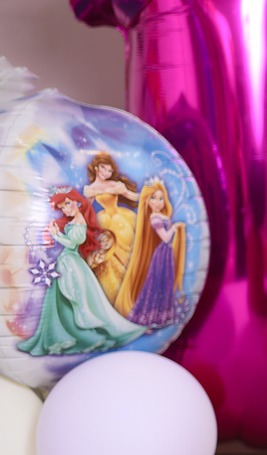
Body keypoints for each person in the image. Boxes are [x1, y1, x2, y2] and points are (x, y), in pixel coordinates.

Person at [18, 187, 145, 356]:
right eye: (62, 207)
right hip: (66, 262)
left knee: (75, 298)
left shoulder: (80, 222)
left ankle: (83, 335)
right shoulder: (75, 221)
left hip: (71, 264)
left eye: (67, 204)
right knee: (63, 300)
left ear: (77, 202)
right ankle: (61, 334)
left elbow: (72, 244)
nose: (66, 209)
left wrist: (56, 235)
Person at [115, 179, 187, 327]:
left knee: (165, 284)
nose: (157, 202)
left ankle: (160, 317)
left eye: (161, 198)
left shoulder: (160, 216)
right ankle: (148, 317)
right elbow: (165, 238)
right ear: (147, 201)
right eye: (153, 198)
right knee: (156, 284)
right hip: (162, 254)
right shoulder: (154, 218)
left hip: (166, 254)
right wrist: (175, 228)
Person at [82, 152, 139, 302]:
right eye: (103, 168)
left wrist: (147, 195)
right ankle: (114, 290)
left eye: (109, 171)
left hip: (120, 220)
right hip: (104, 221)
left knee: (124, 251)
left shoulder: (115, 185)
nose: (106, 173)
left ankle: (132, 285)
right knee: (108, 255)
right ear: (96, 167)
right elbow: (86, 209)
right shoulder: (91, 189)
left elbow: (133, 196)